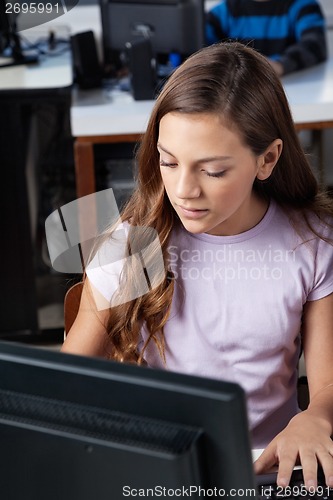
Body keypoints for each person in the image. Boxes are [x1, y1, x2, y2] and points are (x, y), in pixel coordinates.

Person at [61, 42, 333, 489]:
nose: (183, 189)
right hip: (157, 470)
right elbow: (66, 382)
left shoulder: (313, 242)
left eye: (212, 171)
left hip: (268, 472)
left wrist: (315, 417)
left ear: (267, 159)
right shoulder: (132, 244)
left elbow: (324, 389)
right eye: (169, 162)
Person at [205, 0, 327, 76]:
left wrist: (280, 65)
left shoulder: (303, 5)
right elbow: (198, 48)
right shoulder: (223, 11)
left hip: (290, 90)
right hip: (239, 94)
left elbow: (315, 44)